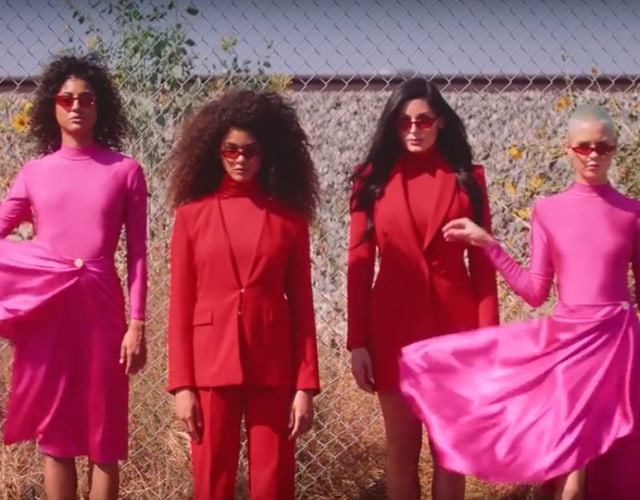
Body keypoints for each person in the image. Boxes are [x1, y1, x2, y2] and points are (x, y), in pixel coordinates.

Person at [400, 104, 640, 500]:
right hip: (570, 348)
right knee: (572, 474)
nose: (594, 155)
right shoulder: (548, 210)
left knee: (614, 466)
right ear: (567, 149)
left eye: (604, 146)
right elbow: (535, 291)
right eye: (584, 147)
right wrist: (488, 244)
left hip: (619, 347)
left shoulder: (632, 212)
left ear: (615, 149)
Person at [0, 54, 147, 500]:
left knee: (105, 438)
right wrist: (34, 266)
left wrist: (137, 324)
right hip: (51, 313)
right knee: (57, 434)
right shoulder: (34, 172)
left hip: (103, 310)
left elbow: (138, 255)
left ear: (101, 106)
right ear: (53, 106)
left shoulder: (125, 170)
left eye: (87, 98)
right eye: (66, 99)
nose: (76, 106)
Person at [347, 77, 499, 500]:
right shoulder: (370, 181)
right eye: (404, 121)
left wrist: (489, 342)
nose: (414, 129)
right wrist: (357, 342)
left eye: (424, 120)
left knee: (449, 453)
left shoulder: (469, 180)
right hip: (392, 331)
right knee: (401, 452)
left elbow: (483, 268)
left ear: (441, 122)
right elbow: (359, 267)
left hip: (455, 333)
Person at [166, 89, 320, 500]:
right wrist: (182, 385)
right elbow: (180, 306)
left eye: (250, 151)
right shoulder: (191, 217)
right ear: (214, 152)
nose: (240, 159)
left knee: (273, 480)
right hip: (209, 366)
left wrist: (305, 385)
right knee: (211, 479)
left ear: (265, 154)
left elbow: (303, 307)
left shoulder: (289, 220)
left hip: (273, 366)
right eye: (230, 150)